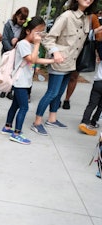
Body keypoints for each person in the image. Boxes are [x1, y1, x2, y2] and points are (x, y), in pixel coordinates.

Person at [30, 0, 102, 136]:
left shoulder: (87, 18)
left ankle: (52, 119)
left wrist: (95, 32)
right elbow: (49, 38)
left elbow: (82, 39)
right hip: (59, 62)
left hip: (71, 63)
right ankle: (37, 122)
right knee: (51, 93)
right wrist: (56, 52)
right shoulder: (67, 16)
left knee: (59, 93)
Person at [1, 16, 55, 145]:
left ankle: (7, 127)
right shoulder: (24, 44)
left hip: (25, 81)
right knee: (24, 107)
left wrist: (53, 60)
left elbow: (35, 60)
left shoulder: (29, 44)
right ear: (28, 31)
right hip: (20, 81)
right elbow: (31, 59)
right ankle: (17, 133)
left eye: (41, 32)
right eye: (37, 32)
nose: (39, 35)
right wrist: (37, 44)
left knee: (15, 105)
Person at [62, 12, 102, 110]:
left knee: (73, 76)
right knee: (62, 75)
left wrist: (97, 52)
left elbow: (98, 37)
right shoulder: (69, 14)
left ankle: (67, 99)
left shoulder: (92, 17)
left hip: (82, 51)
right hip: (67, 49)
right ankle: (57, 98)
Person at [0, 7, 29, 100]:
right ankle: (3, 89)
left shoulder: (25, 26)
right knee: (5, 71)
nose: (22, 21)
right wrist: (10, 50)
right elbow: (4, 38)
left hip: (18, 53)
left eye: (24, 19)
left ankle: (10, 91)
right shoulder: (9, 24)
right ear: (16, 16)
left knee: (14, 72)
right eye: (21, 18)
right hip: (8, 51)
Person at [78, 62, 102, 136]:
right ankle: (93, 122)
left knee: (91, 104)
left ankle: (84, 122)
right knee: (100, 106)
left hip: (98, 83)